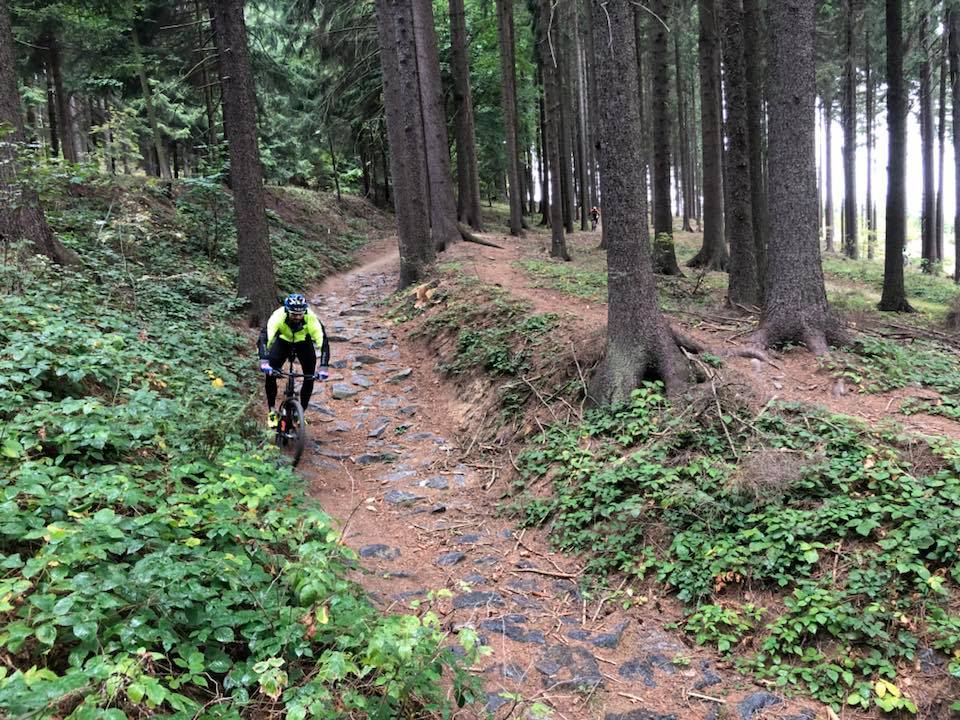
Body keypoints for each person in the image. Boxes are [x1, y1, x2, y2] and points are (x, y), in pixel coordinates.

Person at [258, 293, 330, 427]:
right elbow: (265, 337)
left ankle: (301, 412)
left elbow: (323, 342)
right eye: (293, 314)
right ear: (287, 311)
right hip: (283, 342)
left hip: (303, 343)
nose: (297, 317)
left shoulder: (311, 318)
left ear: (305, 311)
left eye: (300, 314)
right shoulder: (278, 316)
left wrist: (324, 366)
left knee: (309, 376)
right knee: (270, 373)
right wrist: (264, 361)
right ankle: (272, 410)